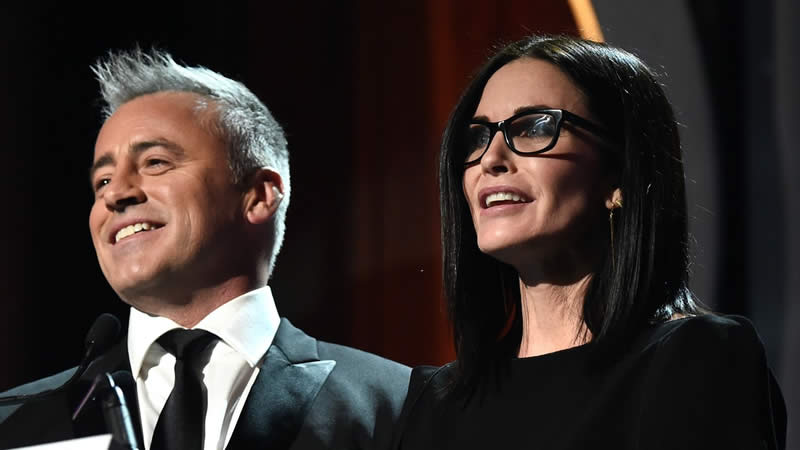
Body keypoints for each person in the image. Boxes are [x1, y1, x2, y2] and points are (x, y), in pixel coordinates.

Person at [0, 48, 410, 450]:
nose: (116, 194)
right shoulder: (14, 421)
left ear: (258, 196)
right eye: (102, 181)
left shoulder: (396, 405)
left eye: (156, 162)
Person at [393, 35, 787, 449]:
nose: (491, 159)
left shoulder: (696, 358)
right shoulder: (437, 403)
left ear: (619, 175)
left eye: (535, 128)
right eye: (477, 137)